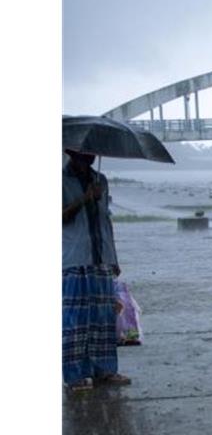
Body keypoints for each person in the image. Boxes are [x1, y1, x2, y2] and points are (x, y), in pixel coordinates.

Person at [62, 149, 130, 389]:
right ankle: (75, 375)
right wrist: (85, 198)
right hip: (73, 258)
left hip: (101, 259)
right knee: (75, 321)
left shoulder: (100, 180)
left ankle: (106, 370)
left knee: (103, 318)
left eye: (91, 152)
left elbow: (105, 219)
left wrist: (114, 256)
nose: (89, 156)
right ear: (70, 152)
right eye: (83, 153)